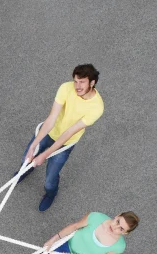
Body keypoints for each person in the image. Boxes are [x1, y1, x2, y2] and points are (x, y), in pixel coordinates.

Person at [17, 64, 105, 211]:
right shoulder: (66, 88)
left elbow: (68, 133)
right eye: (75, 81)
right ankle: (25, 170)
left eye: (82, 82)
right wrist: (34, 145)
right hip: (49, 132)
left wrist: (44, 155)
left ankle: (51, 193)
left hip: (66, 142)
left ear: (92, 82)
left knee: (50, 179)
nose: (77, 86)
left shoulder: (97, 107)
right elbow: (51, 118)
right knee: (25, 159)